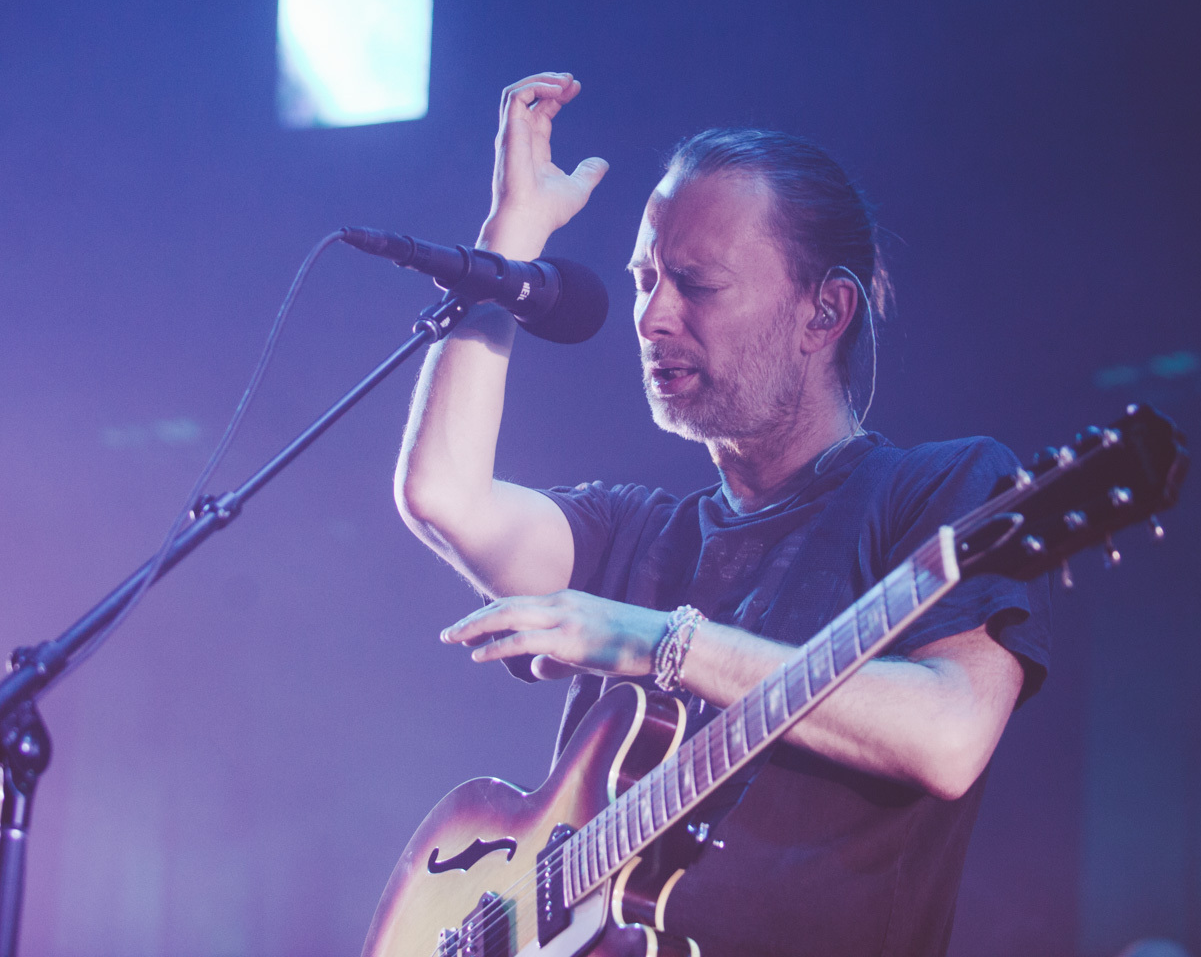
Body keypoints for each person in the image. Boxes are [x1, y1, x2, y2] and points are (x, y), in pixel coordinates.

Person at [393, 71, 1050, 957]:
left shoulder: (940, 490)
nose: (652, 315)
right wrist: (509, 241)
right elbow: (445, 495)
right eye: (642, 279)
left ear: (825, 310)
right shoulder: (632, 532)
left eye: (695, 284)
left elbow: (949, 733)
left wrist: (658, 643)